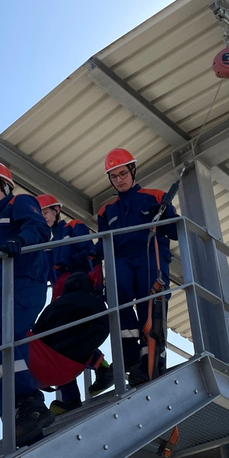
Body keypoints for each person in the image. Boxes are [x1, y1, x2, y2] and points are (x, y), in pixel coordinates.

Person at [0, 160, 53, 446]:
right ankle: (23, 425)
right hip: (1, 290)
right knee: (6, 348)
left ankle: (30, 401)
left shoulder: (20, 202)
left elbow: (39, 228)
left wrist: (20, 241)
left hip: (24, 283)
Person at [97, 148, 178, 386]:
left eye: (122, 173)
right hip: (121, 260)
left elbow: (175, 232)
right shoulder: (106, 210)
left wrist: (163, 217)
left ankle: (151, 364)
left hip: (150, 258)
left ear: (132, 171)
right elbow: (102, 245)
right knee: (114, 298)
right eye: (114, 176)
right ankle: (130, 356)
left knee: (151, 308)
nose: (119, 180)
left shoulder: (155, 197)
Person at [36, 195, 114, 414]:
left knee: (74, 335)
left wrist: (67, 263)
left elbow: (89, 251)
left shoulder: (74, 227)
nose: (44, 219)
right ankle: (71, 396)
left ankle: (102, 369)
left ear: (56, 210)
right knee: (53, 340)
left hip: (80, 289)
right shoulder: (47, 245)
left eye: (46, 213)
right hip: (60, 296)